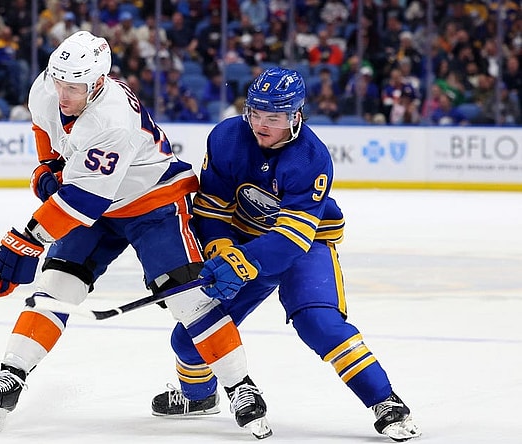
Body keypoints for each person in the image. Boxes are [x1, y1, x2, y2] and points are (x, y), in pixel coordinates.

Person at [0, 31, 270, 440]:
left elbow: (82, 201)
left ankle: (240, 387)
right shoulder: (48, 85)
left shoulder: (112, 119)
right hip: (100, 199)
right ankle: (11, 375)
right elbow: (44, 125)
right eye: (59, 81)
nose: (63, 92)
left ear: (96, 83)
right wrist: (48, 164)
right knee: (56, 286)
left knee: (188, 297)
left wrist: (26, 238)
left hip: (153, 200)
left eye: (73, 87)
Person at [149, 67, 421, 442]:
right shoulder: (227, 136)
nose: (260, 124)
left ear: (295, 116)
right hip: (244, 241)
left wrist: (242, 263)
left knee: (319, 324)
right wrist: (223, 249)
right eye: (255, 113)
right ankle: (199, 397)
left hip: (305, 246)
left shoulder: (311, 157)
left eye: (273, 117)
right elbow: (210, 210)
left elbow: (292, 239)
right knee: (190, 337)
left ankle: (384, 401)